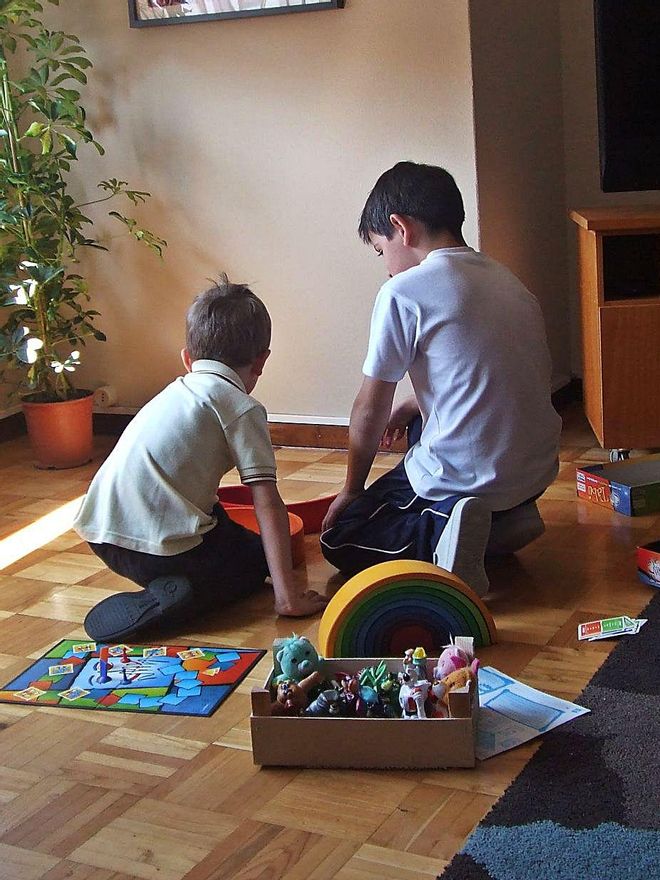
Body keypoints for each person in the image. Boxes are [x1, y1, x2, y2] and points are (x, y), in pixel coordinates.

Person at [320, 161, 562, 596]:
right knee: (416, 421)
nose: (386, 266)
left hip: (468, 476)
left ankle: (440, 536)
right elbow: (492, 373)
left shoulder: (403, 292)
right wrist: (415, 403)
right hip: (532, 475)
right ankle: (504, 523)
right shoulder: (510, 283)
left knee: (341, 537)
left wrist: (352, 490)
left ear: (401, 227)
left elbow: (369, 407)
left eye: (380, 250)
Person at [74, 275, 327, 641]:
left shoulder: (175, 391)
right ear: (261, 361)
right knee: (253, 567)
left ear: (187, 357)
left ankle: (174, 579)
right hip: (159, 549)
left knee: (236, 538)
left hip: (103, 533)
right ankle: (179, 596)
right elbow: (267, 501)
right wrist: (286, 597)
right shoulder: (241, 407)